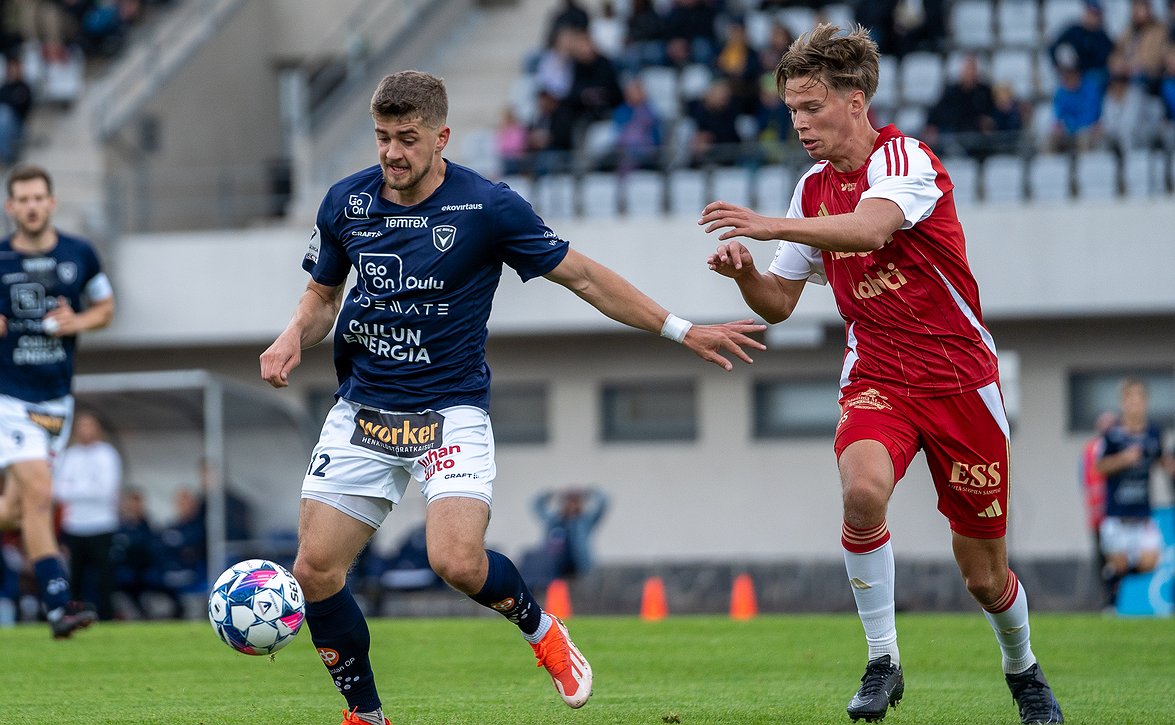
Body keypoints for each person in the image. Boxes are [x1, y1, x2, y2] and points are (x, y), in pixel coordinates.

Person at [259, 69, 765, 725]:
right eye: (382, 137)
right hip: (364, 409)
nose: (391, 153)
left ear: (441, 136)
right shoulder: (346, 202)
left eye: (407, 138)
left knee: (456, 561)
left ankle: (540, 628)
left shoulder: (487, 206)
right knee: (315, 569)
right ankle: (366, 714)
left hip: (449, 412)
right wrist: (292, 333)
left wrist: (679, 327)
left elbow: (582, 276)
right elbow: (323, 295)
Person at [700, 24, 1064, 724]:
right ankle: (882, 660)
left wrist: (768, 228)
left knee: (983, 575)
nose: (799, 124)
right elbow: (777, 305)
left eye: (810, 107)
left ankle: (1021, 668)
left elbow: (869, 230)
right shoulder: (810, 188)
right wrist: (747, 275)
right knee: (861, 490)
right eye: (791, 111)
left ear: (855, 100)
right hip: (878, 377)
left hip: (961, 382)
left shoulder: (906, 160)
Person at [0, 164, 116, 638]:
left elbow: (106, 309)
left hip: (56, 404)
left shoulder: (79, 254)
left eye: (37, 198)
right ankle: (57, 603)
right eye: (21, 199)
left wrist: (78, 322)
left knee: (15, 508)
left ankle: (55, 604)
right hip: (9, 397)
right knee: (41, 495)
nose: (30, 206)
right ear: (11, 207)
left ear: (51, 203)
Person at [1093, 379, 1175, 611]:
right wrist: (1124, 459)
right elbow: (1099, 466)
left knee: (1150, 561)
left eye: (1139, 399)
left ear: (1145, 402)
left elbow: (1161, 460)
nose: (1135, 404)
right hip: (1117, 513)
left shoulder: (1154, 433)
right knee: (1117, 563)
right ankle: (1111, 602)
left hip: (1143, 513)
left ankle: (1114, 576)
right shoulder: (1113, 435)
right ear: (1123, 403)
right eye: (1130, 399)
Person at [52, 408, 122, 620]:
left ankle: (108, 618)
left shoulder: (107, 454)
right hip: (75, 526)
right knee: (76, 579)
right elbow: (57, 490)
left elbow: (106, 490)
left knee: (105, 578)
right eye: (82, 426)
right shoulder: (69, 456)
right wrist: (88, 487)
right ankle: (75, 618)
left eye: (89, 425)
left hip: (102, 525)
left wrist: (74, 488)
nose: (85, 430)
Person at [532, 487, 608, 583]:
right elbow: (536, 505)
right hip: (555, 567)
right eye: (569, 502)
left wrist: (590, 491)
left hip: (580, 566)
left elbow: (603, 504)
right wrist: (552, 493)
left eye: (575, 502)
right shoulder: (553, 521)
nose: (572, 505)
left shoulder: (585, 521)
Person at [1079, 410, 1116, 606]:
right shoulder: (1090, 450)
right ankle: (1107, 600)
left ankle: (1115, 599)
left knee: (1117, 558)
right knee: (1102, 557)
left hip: (1116, 513)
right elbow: (1084, 481)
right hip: (1097, 514)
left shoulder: (1119, 447)